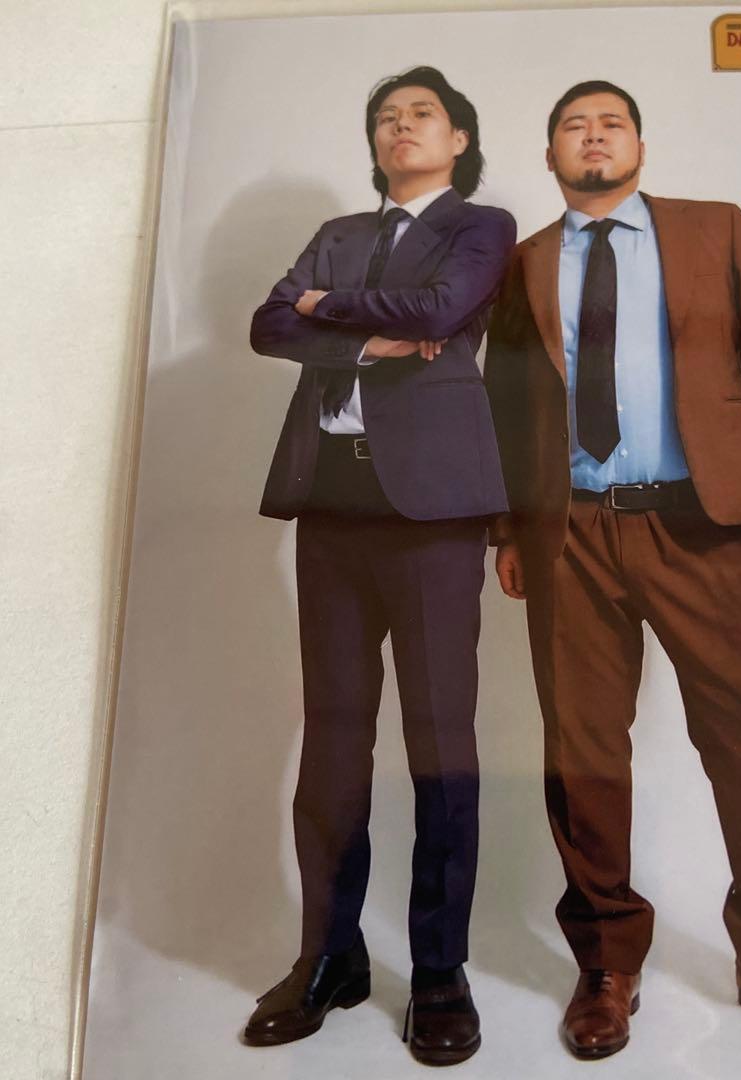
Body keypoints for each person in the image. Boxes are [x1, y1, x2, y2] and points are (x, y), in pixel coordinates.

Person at [484, 79, 741, 1060]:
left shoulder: (715, 229)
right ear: (549, 155)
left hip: (700, 521)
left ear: (640, 145)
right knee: (583, 753)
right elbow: (505, 398)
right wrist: (506, 529)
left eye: (611, 124)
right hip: (571, 532)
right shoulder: (524, 262)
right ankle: (606, 966)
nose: (593, 137)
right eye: (573, 126)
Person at [244, 66, 515, 1066]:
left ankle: (439, 971)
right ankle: (330, 955)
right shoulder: (339, 231)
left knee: (440, 740)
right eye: (385, 118)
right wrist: (369, 342)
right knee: (332, 737)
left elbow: (441, 311)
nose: (400, 127)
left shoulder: (481, 226)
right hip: (330, 503)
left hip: (433, 512)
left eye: (421, 115)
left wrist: (330, 308)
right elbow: (268, 324)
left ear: (458, 138)